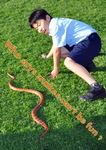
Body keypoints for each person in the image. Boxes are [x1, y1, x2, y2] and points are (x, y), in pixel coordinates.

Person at [29, 9, 106, 101]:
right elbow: (56, 45)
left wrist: (55, 70)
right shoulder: (54, 24)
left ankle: (97, 88)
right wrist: (48, 55)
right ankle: (87, 64)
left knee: (68, 62)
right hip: (86, 40)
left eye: (39, 25)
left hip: (90, 41)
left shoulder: (55, 26)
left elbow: (56, 51)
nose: (39, 29)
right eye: (36, 28)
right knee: (62, 51)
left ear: (47, 17)